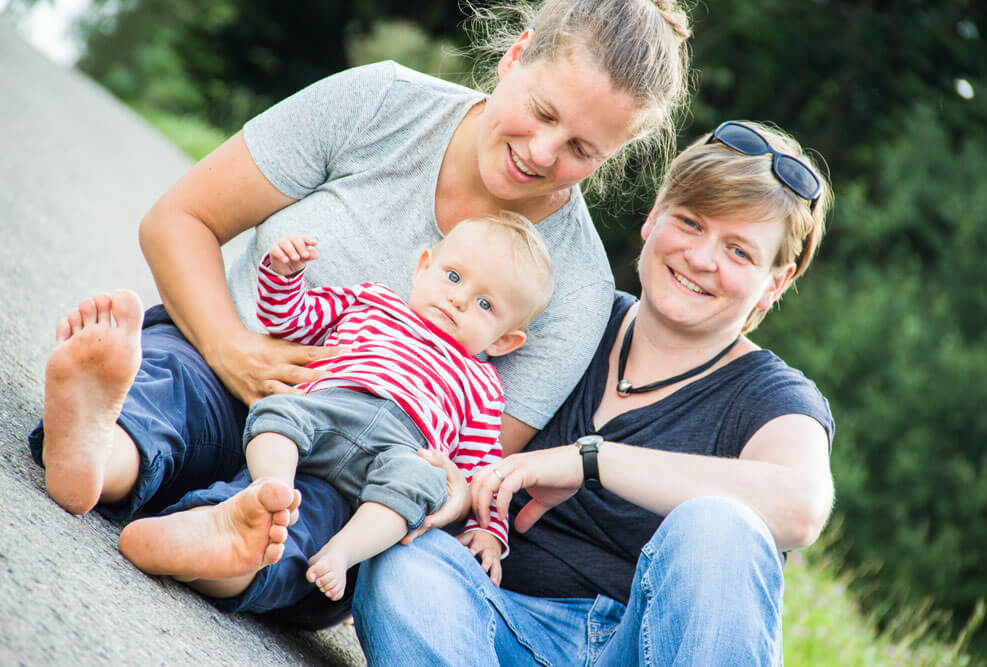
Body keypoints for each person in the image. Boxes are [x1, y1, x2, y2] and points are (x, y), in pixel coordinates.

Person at [28, 0, 693, 621]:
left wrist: (448, 499)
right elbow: (180, 219)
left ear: (613, 155)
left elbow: (465, 457)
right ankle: (98, 450)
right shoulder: (381, 102)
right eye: (544, 112)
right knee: (174, 389)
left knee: (314, 523)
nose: (544, 153)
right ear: (515, 56)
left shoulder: (574, 289)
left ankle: (228, 539)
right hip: (219, 354)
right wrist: (232, 347)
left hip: (347, 476)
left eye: (583, 150)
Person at [351, 120, 836, 665]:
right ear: (654, 217)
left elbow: (800, 507)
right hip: (490, 621)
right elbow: (435, 373)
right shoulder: (573, 318)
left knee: (720, 526)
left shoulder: (772, 395)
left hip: (642, 646)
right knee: (404, 563)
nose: (702, 258)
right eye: (690, 222)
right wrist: (456, 482)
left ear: (775, 282)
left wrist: (592, 459)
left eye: (739, 252)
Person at [123, 213, 554, 601]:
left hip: (402, 450)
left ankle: (341, 552)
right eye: (454, 276)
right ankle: (270, 490)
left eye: (485, 304)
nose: (459, 299)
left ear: (503, 341)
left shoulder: (483, 386)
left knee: (420, 484)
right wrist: (284, 274)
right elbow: (291, 320)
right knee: (280, 411)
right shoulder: (373, 301)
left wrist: (488, 530)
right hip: (328, 408)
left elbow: (482, 470)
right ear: (424, 267)